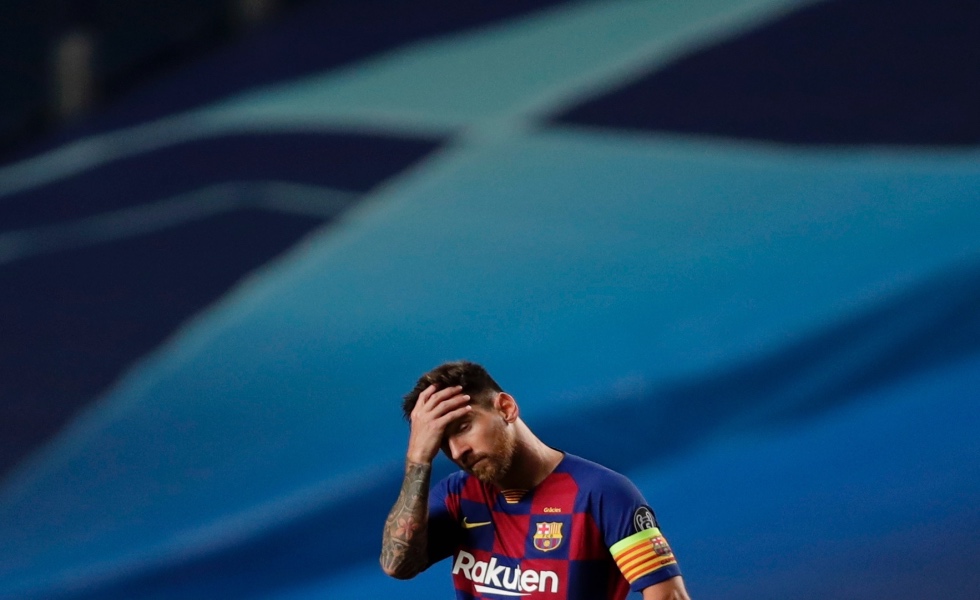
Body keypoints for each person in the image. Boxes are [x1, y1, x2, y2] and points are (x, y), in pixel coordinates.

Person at [380, 360, 691, 600]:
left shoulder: (602, 494)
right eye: (441, 444)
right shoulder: (456, 495)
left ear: (505, 407)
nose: (459, 451)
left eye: (463, 427)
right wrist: (418, 460)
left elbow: (668, 595)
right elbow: (398, 566)